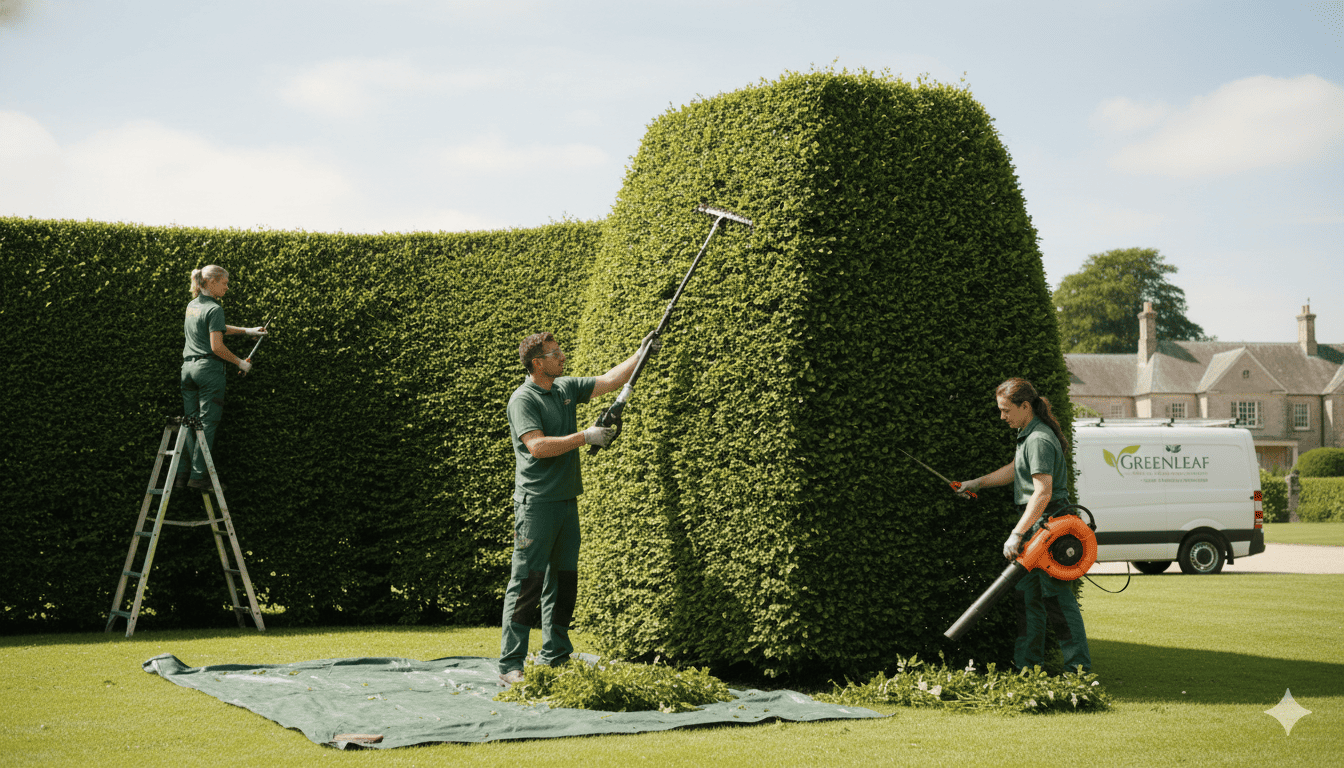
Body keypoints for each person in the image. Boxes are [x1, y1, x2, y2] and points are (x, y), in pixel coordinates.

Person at [498, 330, 657, 685]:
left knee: (564, 580)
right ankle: (511, 665)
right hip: (536, 505)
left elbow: (608, 380)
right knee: (527, 583)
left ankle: (557, 655)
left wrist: (641, 353)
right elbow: (537, 447)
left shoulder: (564, 388)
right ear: (538, 363)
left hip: (567, 501)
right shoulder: (523, 400)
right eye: (556, 353)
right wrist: (585, 436)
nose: (563, 357)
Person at [955, 377, 1092, 673]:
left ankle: (1079, 672)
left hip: (1049, 530)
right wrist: (976, 483)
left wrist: (1016, 533)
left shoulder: (1039, 439)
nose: (1001, 416)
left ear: (1025, 406)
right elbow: (1014, 471)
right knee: (1028, 600)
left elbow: (1042, 492)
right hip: (1037, 528)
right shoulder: (1028, 437)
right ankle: (1027, 670)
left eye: (1006, 410)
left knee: (1058, 602)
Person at [178, 265, 266, 492]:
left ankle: (181, 475)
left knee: (190, 422)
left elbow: (215, 328)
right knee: (207, 423)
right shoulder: (215, 308)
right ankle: (198, 477)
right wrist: (241, 362)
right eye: (224, 283)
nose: (227, 287)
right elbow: (216, 346)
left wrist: (247, 331)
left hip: (187, 370)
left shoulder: (192, 306)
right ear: (211, 282)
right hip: (208, 371)